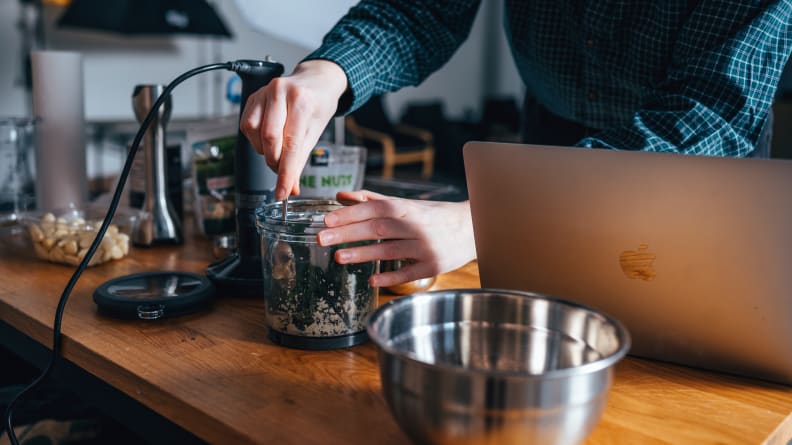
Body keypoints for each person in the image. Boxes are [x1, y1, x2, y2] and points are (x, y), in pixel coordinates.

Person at [241, 1, 792, 288]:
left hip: (699, 177)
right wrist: (329, 73)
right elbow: (419, 9)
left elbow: (703, 120)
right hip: (551, 138)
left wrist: (490, 220)